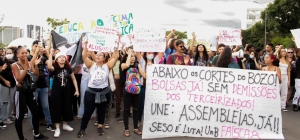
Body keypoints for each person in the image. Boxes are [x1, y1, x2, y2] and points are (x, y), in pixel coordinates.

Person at [77, 39, 119, 137]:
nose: (98, 56)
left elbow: (115, 56)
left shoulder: (107, 66)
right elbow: (83, 56)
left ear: (104, 57)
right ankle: (82, 129)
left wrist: (116, 44)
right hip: (91, 92)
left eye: (100, 55)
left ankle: (100, 127)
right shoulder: (91, 64)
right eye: (97, 54)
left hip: (103, 92)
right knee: (88, 112)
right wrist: (86, 45)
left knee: (101, 111)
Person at [11, 46, 49, 140]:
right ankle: (22, 138)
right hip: (20, 92)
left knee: (36, 113)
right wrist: (25, 69)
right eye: (22, 53)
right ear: (17, 55)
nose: (24, 55)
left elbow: (36, 75)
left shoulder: (29, 63)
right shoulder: (14, 65)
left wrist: (35, 65)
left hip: (29, 92)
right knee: (19, 117)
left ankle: (36, 134)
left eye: (25, 53)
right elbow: (19, 80)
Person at [47, 51, 79, 138]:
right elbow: (49, 66)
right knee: (57, 108)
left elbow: (73, 79)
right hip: (57, 91)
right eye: (60, 57)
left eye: (63, 57)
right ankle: (57, 128)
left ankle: (65, 124)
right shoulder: (55, 68)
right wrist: (50, 54)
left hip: (67, 91)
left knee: (67, 107)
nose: (62, 59)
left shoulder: (68, 68)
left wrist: (77, 90)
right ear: (56, 60)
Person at [29, 41, 55, 131]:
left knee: (45, 106)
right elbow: (31, 65)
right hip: (33, 85)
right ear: (32, 47)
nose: (37, 48)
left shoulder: (43, 58)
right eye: (35, 46)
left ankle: (49, 123)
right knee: (33, 106)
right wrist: (36, 53)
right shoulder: (28, 56)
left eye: (38, 46)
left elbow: (50, 66)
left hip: (43, 85)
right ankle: (33, 125)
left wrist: (48, 54)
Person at [121, 48, 146, 137]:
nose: (132, 58)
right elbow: (127, 65)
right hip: (127, 91)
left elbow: (144, 75)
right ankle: (126, 129)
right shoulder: (123, 65)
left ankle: (135, 128)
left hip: (137, 91)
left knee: (136, 109)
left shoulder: (137, 65)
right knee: (126, 110)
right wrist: (129, 54)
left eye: (134, 57)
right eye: (131, 56)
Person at [0, 48, 17, 125]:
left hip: (13, 84)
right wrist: (5, 81)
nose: (9, 54)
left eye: (10, 53)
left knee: (12, 100)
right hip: (5, 84)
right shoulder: (3, 62)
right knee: (5, 101)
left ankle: (9, 115)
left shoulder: (14, 62)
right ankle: (4, 117)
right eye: (8, 53)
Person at [292, 37, 300, 111]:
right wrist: (295, 42)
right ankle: (295, 103)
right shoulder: (298, 59)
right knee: (298, 92)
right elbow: (298, 50)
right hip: (298, 77)